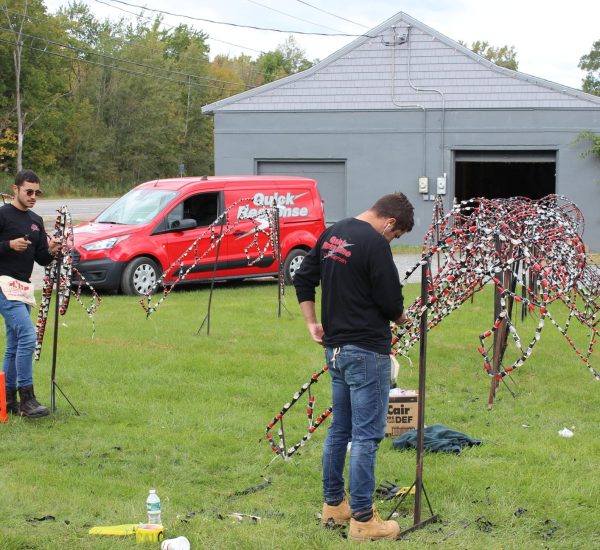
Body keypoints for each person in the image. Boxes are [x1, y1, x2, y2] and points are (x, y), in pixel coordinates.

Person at [293, 192, 414, 542]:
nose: (391, 240)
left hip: (335, 352)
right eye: (396, 235)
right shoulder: (375, 244)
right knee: (366, 436)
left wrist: (312, 323)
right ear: (390, 223)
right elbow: (391, 301)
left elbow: (303, 278)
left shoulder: (334, 232)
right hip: (367, 352)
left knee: (340, 430)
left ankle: (334, 505)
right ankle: (363, 520)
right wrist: (405, 319)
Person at [0, 170, 61, 417]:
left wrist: (52, 250)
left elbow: (41, 258)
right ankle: (27, 398)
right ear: (15, 189)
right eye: (29, 191)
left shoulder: (36, 220)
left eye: (37, 192)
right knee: (27, 337)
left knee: (15, 343)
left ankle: (7, 399)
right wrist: (8, 245)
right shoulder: (3, 215)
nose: (33, 196)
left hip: (23, 289)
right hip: (3, 286)